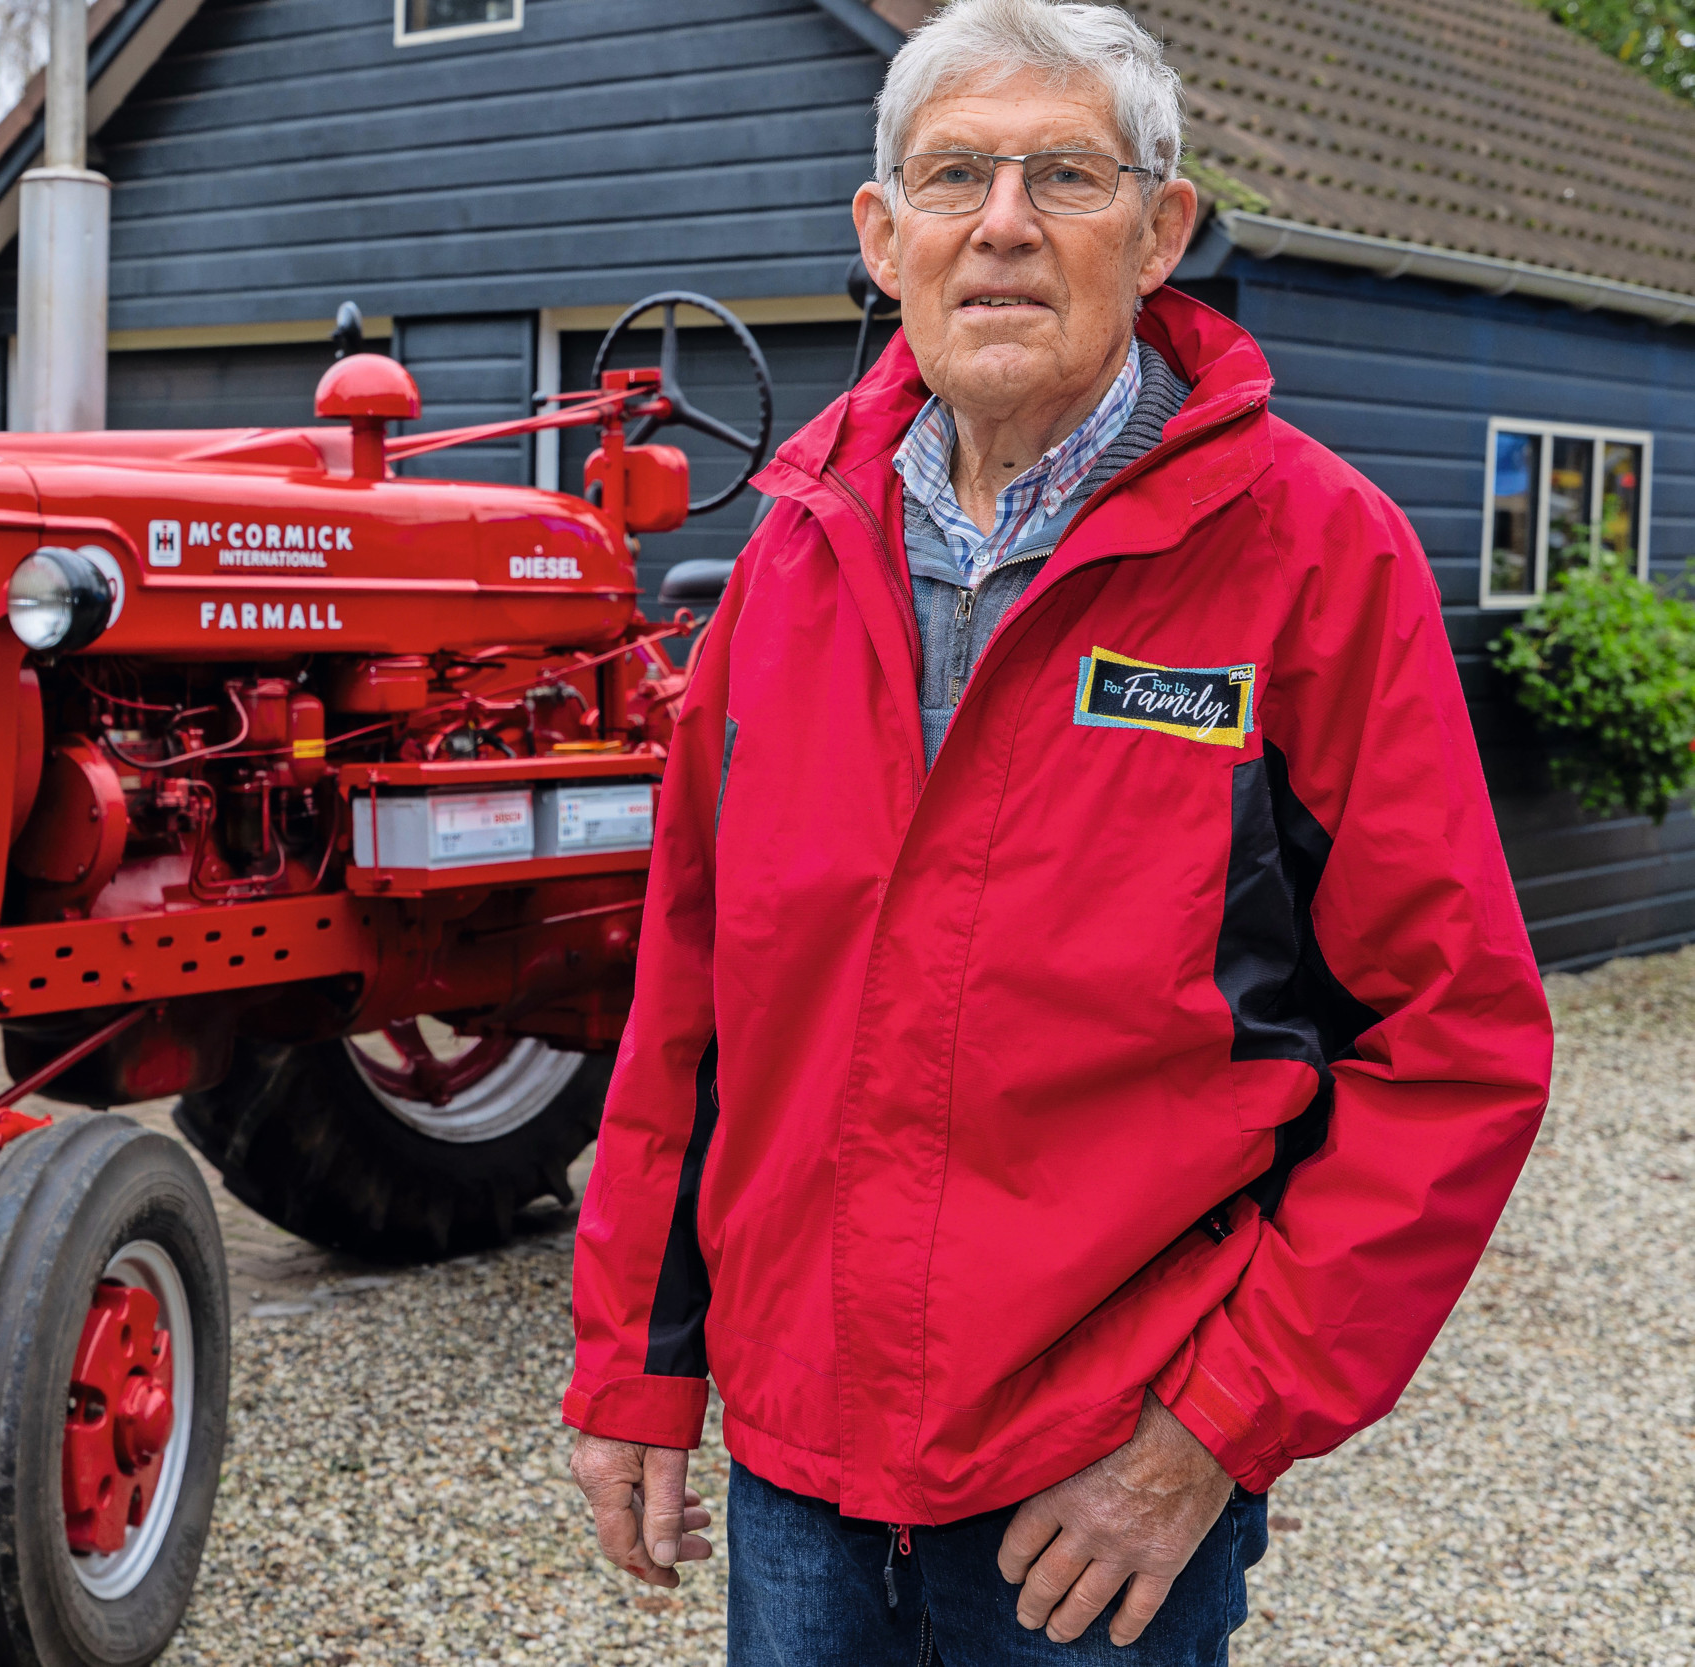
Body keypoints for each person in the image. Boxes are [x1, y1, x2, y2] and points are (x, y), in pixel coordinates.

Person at [562, 1, 1554, 1661]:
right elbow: (692, 1010)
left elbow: (1455, 1050)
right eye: (953, 176)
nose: (1002, 223)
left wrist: (1213, 1433)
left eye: (1065, 176)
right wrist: (635, 1368)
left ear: (1159, 231)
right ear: (882, 239)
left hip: (1098, 1494)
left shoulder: (1313, 562)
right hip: (798, 1478)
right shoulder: (791, 564)